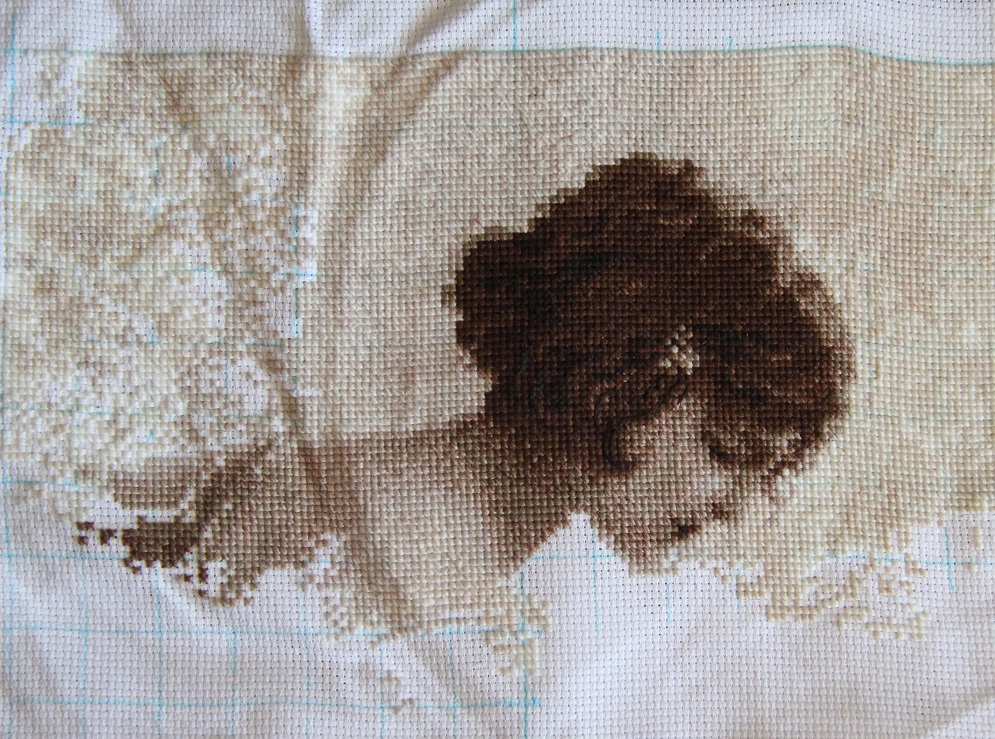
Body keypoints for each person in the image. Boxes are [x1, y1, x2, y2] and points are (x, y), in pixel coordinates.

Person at [79, 152, 853, 631]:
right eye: (724, 452)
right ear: (626, 374)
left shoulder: (547, 588)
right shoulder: (337, 522)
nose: (735, 508)